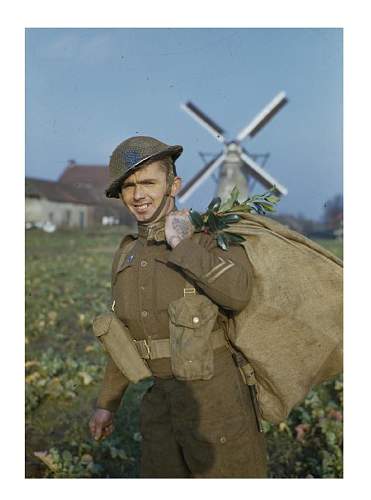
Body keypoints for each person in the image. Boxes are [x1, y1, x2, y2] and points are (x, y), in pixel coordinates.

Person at [89, 135, 267, 478]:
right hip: (160, 406)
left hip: (217, 404)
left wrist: (183, 244)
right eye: (128, 186)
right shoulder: (127, 255)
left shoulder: (209, 237)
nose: (138, 194)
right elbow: (122, 337)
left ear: (174, 185)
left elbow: (239, 293)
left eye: (148, 182)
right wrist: (106, 405)